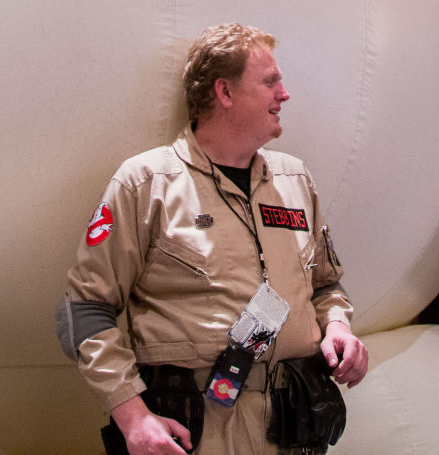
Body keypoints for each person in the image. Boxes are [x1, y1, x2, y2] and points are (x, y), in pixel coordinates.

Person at [59, 24, 370, 455]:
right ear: (224, 92)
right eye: (270, 82)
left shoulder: (295, 180)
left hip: (295, 429)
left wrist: (337, 325)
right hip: (198, 434)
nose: (285, 94)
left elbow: (326, 285)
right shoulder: (146, 183)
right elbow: (84, 312)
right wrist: (132, 417)